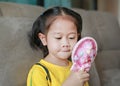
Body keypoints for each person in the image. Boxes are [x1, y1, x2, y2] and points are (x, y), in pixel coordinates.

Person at [27, 6, 89, 86]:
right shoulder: (39, 72)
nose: (66, 43)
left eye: (71, 37)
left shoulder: (78, 69)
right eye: (58, 37)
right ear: (44, 39)